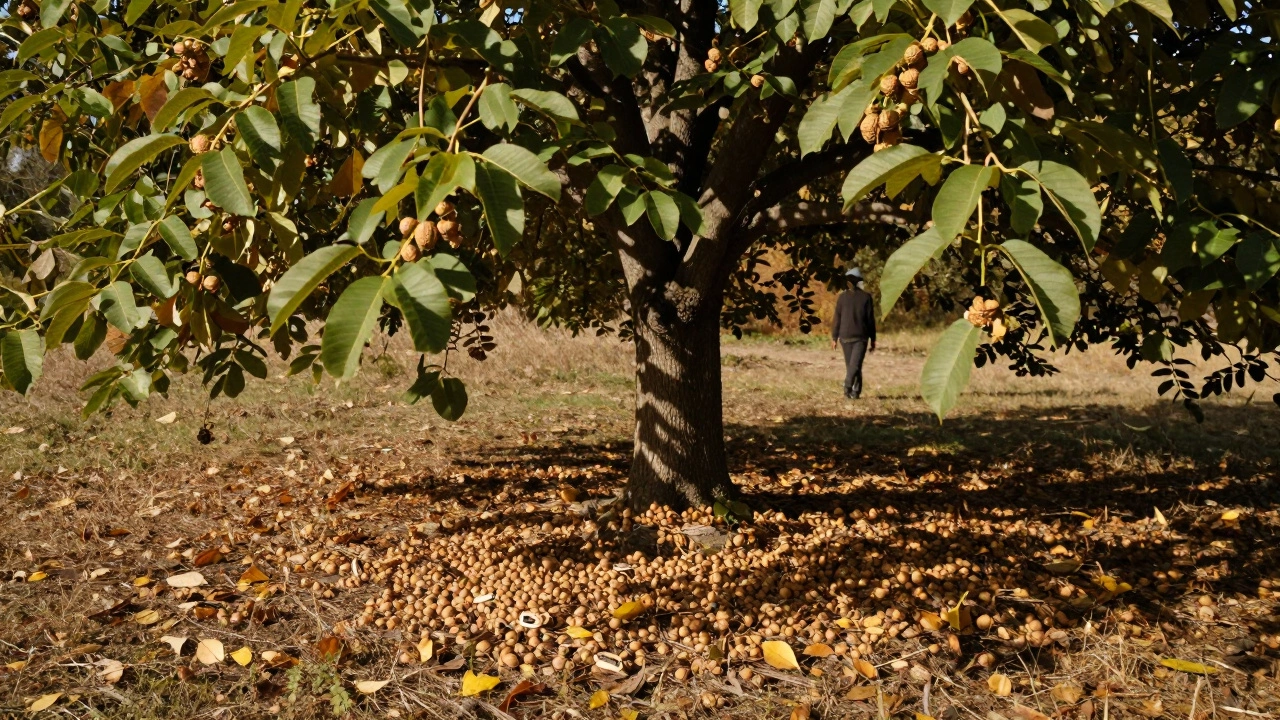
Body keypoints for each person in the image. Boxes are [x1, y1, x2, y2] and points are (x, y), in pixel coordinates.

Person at [830, 267, 876, 399]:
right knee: (853, 366)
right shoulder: (842, 298)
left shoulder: (866, 298)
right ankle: (854, 393)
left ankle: (847, 387)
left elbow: (870, 320)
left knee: (854, 365)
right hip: (845, 338)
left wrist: (873, 339)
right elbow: (837, 318)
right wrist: (834, 337)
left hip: (860, 338)